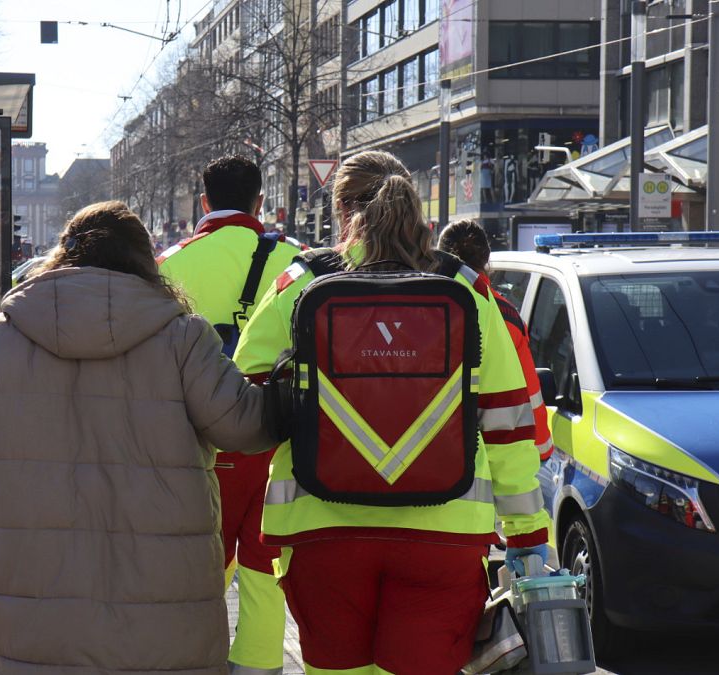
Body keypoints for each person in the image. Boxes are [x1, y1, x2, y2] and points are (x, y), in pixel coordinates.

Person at [233, 151, 550, 675]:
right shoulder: (468, 288)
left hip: (320, 529)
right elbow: (507, 420)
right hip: (445, 532)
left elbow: (246, 389)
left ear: (341, 211)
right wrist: (527, 534)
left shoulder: (302, 281)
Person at [0, 201, 279, 674]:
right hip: (162, 590)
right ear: (143, 258)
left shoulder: (1, 336)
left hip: (38, 584)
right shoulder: (184, 336)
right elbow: (242, 425)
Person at [156, 156, 301, 675]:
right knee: (266, 565)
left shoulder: (168, 265)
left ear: (204, 202)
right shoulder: (297, 261)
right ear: (260, 201)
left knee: (199, 565)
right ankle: (259, 665)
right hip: (277, 441)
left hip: (199, 443)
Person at [438, 219, 553, 461]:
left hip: (436, 454)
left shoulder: (426, 310)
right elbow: (527, 393)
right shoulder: (507, 317)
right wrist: (542, 448)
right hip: (492, 457)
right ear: (486, 261)